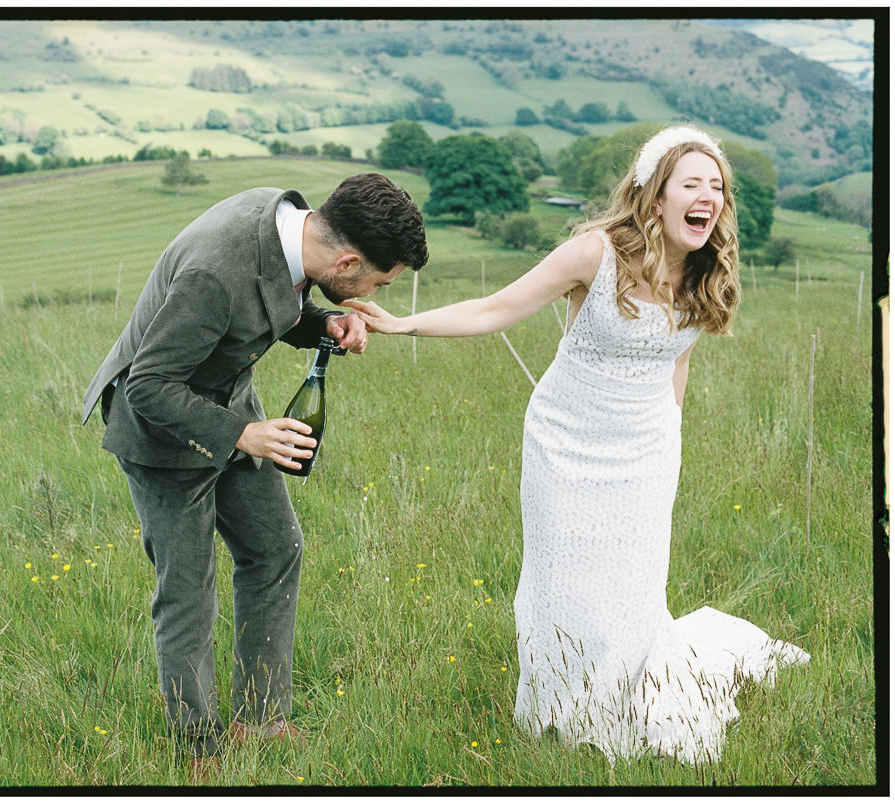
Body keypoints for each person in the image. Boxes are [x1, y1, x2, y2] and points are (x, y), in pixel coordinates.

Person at [344, 127, 808, 764]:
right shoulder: (595, 253)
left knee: (631, 586)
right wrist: (405, 323)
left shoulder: (706, 277)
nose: (708, 197)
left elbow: (677, 364)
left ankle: (622, 700)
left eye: (718, 188)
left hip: (647, 453)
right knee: (564, 582)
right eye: (692, 184)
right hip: (565, 445)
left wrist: (669, 441)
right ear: (655, 195)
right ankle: (562, 707)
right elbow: (495, 309)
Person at [81, 173, 428, 773]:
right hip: (163, 430)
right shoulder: (216, 272)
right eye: (376, 281)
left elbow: (272, 300)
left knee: (275, 547)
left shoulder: (291, 228)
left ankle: (261, 720)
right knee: (188, 588)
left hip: (230, 408)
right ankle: (197, 749)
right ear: (347, 259)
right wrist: (242, 435)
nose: (373, 292)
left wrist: (322, 324)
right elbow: (148, 386)